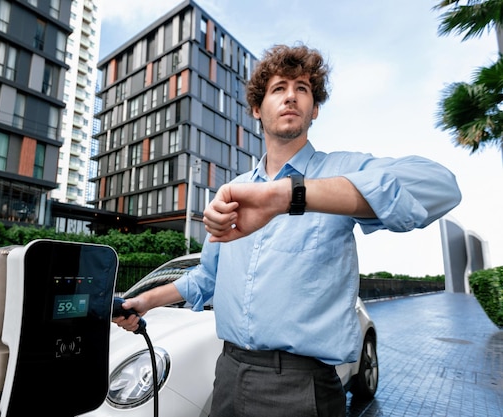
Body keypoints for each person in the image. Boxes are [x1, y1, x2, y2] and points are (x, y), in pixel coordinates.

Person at [113, 44, 461, 417]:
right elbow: (206, 278)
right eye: (278, 88)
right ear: (256, 109)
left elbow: (441, 187)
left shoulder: (342, 170)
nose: (291, 96)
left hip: (303, 387)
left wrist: (291, 194)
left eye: (303, 88)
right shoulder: (233, 191)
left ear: (314, 109)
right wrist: (143, 302)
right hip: (228, 373)